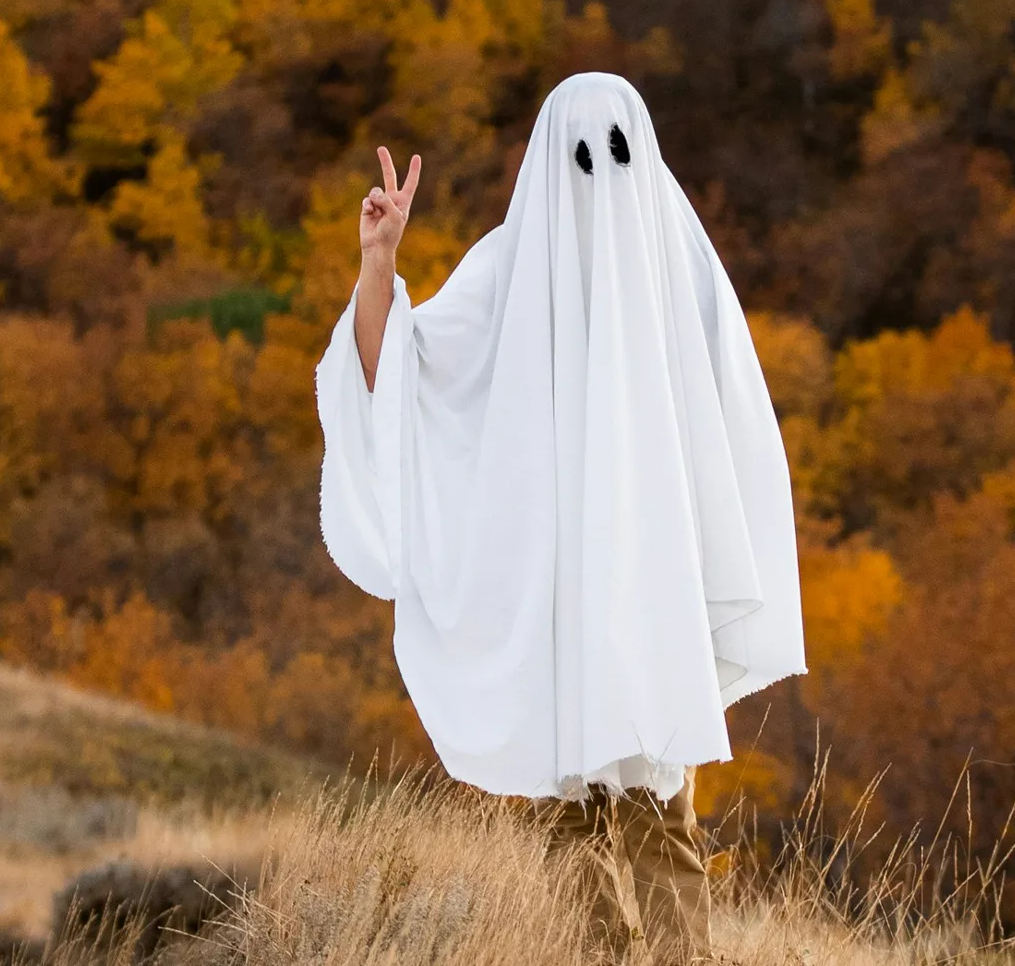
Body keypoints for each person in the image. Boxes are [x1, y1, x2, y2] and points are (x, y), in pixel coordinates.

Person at [314, 71, 807, 963]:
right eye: (580, 156)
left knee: (662, 818)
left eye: (617, 153)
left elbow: (731, 425)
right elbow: (404, 380)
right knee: (562, 829)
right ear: (546, 161)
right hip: (546, 595)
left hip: (650, 588)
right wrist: (379, 262)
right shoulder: (508, 268)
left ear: (645, 152)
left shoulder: (677, 263)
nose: (600, 176)